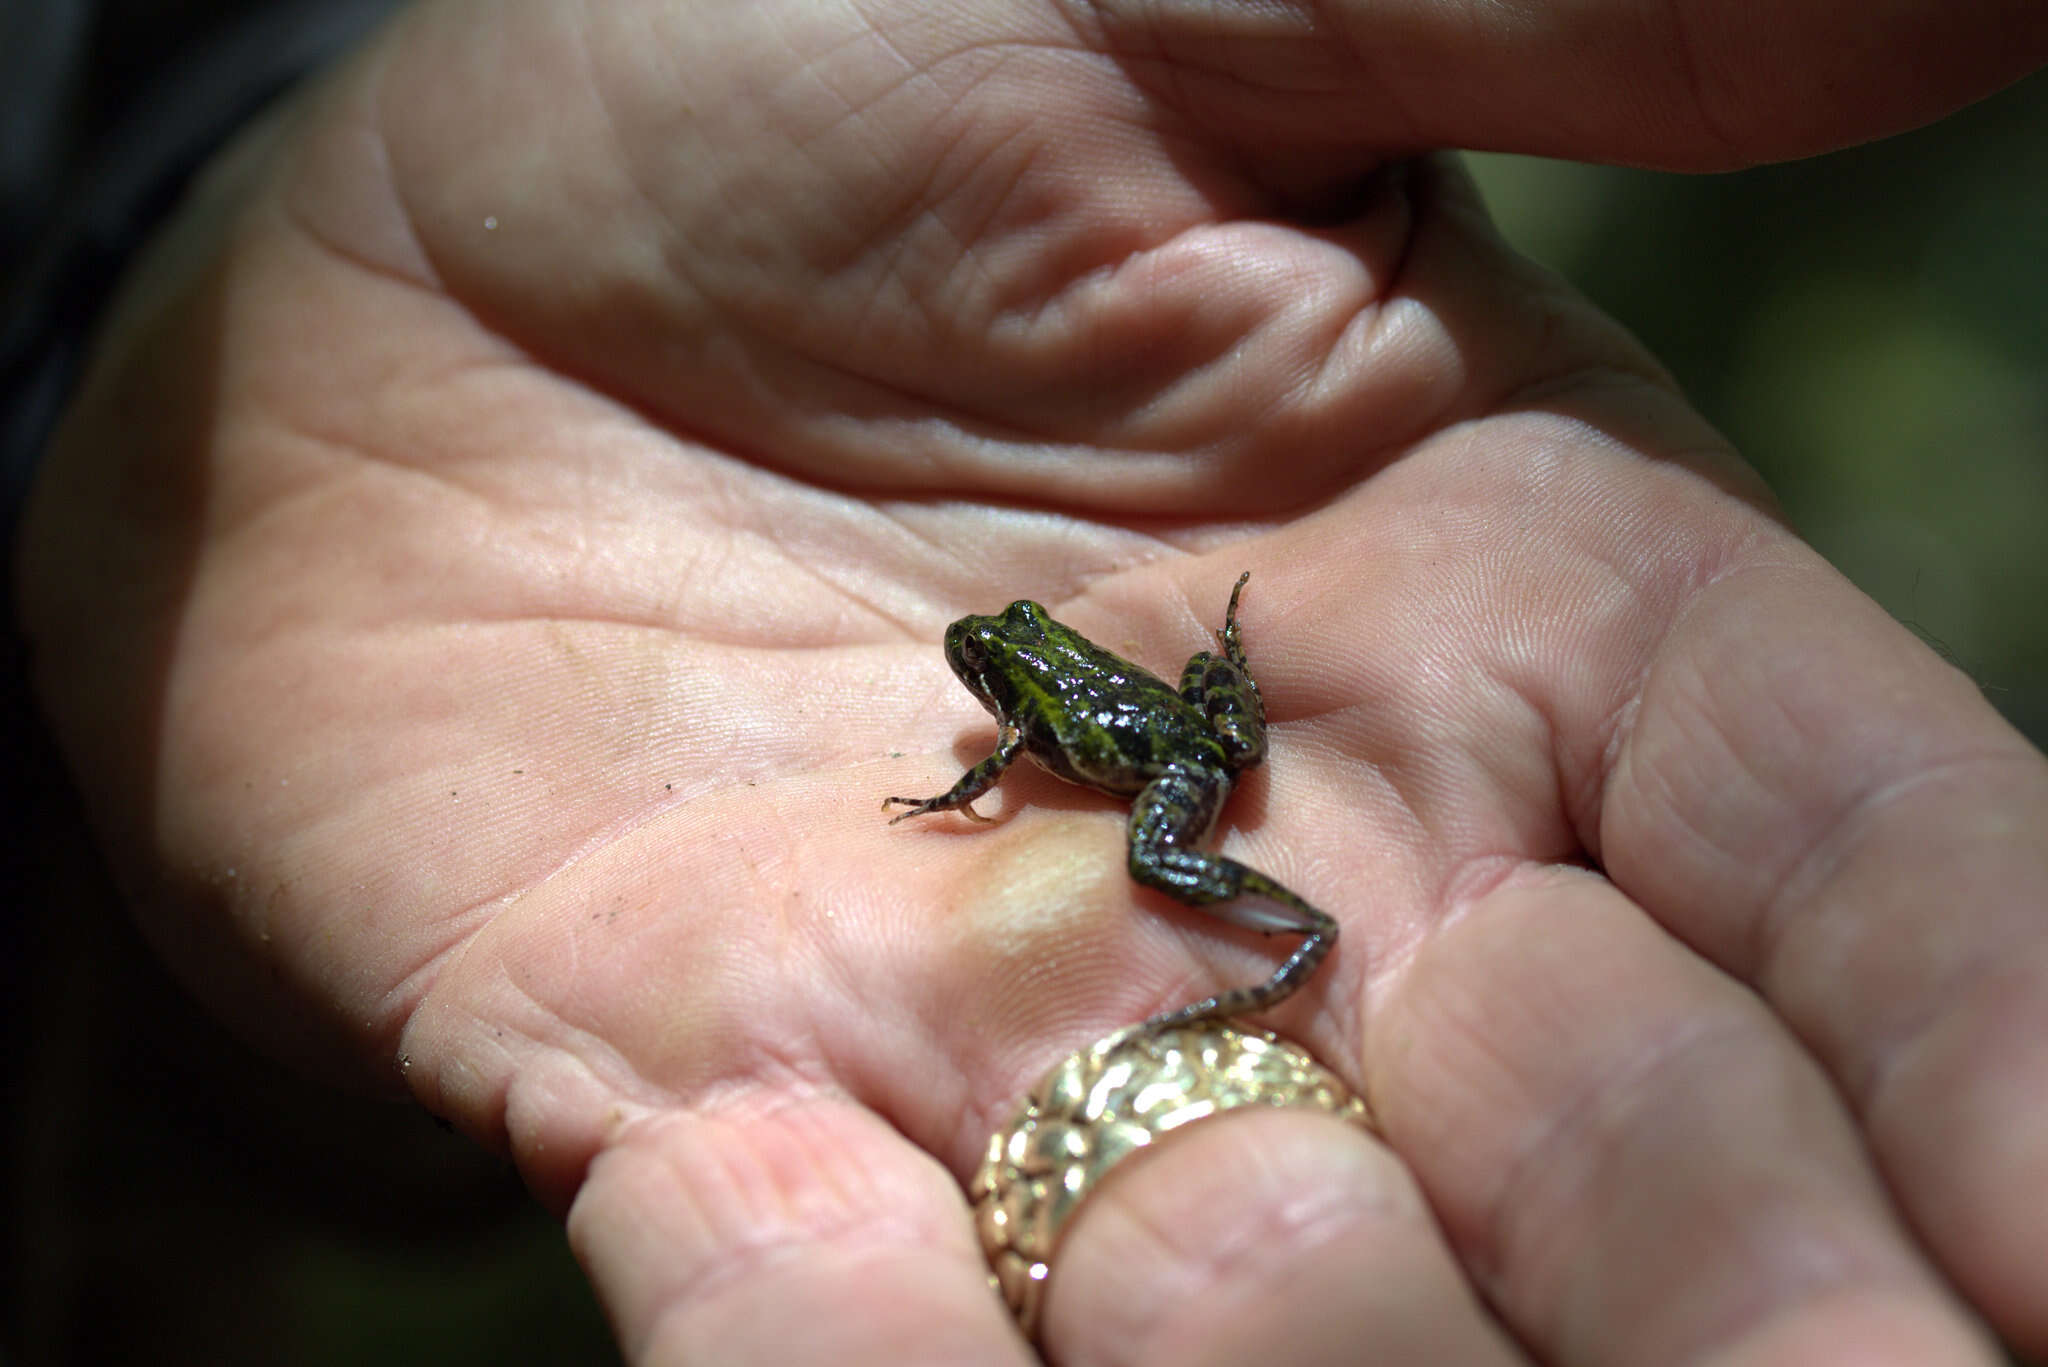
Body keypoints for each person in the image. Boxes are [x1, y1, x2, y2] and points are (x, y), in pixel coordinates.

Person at [14, 1, 2047, 1361]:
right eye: (989, 663)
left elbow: (1013, 760)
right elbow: (1009, 756)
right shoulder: (1018, 709)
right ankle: (1276, 927)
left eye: (987, 661)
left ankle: (1275, 935)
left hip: (1172, 761)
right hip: (1169, 727)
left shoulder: (1021, 713)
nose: (980, 675)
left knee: (1171, 871)